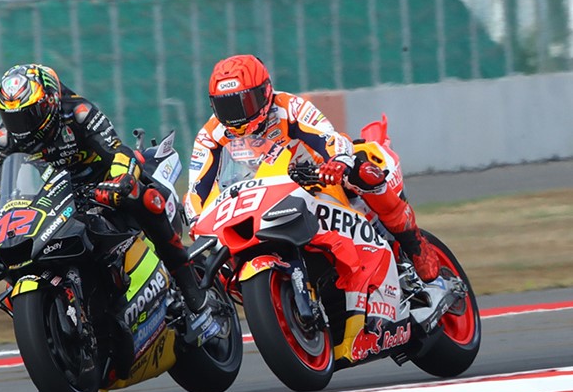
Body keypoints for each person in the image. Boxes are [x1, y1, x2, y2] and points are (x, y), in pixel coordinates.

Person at [0, 63, 216, 392]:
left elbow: (118, 152)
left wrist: (119, 180)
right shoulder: (3, 142)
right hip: (53, 202)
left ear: (47, 104)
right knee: (13, 262)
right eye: (14, 117)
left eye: (29, 114)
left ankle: (193, 294)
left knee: (142, 199)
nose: (22, 126)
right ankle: (56, 364)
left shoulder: (78, 113)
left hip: (103, 184)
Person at [187, 54, 441, 363]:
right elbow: (197, 190)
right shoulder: (210, 135)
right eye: (228, 105)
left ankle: (416, 246)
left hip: (318, 184)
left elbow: (330, 138)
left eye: (246, 102)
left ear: (265, 92)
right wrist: (196, 218)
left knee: (363, 171)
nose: (238, 114)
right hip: (257, 205)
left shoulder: (289, 108)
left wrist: (337, 162)